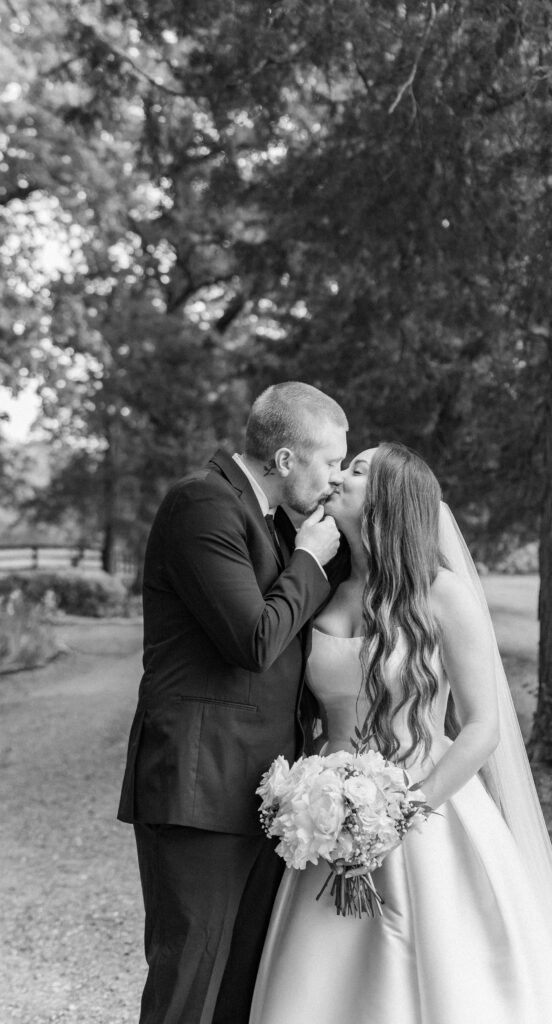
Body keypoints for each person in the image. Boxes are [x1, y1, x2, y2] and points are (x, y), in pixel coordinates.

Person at [249, 442, 552, 1024]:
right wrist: (311, 796)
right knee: (319, 980)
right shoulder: (324, 587)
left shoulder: (441, 594)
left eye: (357, 469)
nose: (337, 477)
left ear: (389, 498)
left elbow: (483, 727)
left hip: (424, 803)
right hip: (327, 812)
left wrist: (403, 812)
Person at [117, 382, 348, 1024]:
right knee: (188, 986)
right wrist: (309, 560)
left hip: (260, 789)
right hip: (200, 787)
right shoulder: (202, 503)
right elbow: (255, 639)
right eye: (331, 461)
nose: (335, 478)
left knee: (239, 989)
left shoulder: (269, 518)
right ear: (285, 459)